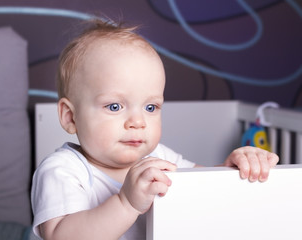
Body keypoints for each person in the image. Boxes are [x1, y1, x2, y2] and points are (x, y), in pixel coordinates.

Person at [31, 19, 279, 240]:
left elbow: (205, 187)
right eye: (115, 106)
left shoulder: (158, 158)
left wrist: (234, 169)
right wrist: (126, 203)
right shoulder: (63, 171)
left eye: (150, 107)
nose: (138, 122)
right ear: (70, 117)